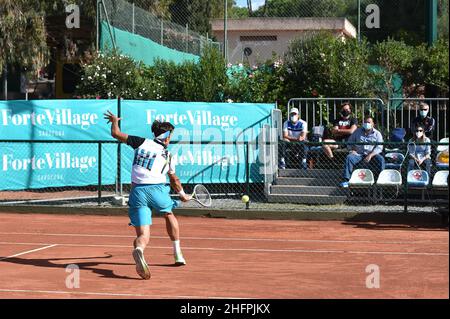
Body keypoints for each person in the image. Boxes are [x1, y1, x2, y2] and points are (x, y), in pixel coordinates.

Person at [104, 111, 190, 280]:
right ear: (166, 136)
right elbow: (174, 179)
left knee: (143, 235)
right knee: (168, 214)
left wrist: (114, 121)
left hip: (137, 192)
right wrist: (182, 194)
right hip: (157, 191)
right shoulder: (168, 155)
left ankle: (139, 249)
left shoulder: (140, 142)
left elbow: (115, 133)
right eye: (170, 135)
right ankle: (178, 253)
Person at [340, 116, 385, 188]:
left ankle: (380, 180)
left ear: (373, 124)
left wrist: (370, 155)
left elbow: (379, 147)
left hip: (372, 155)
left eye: (369, 122)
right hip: (358, 154)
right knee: (349, 157)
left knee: (381, 159)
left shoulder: (377, 134)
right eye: (365, 122)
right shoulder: (357, 132)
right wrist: (352, 150)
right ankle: (346, 180)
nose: (367, 124)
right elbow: (349, 142)